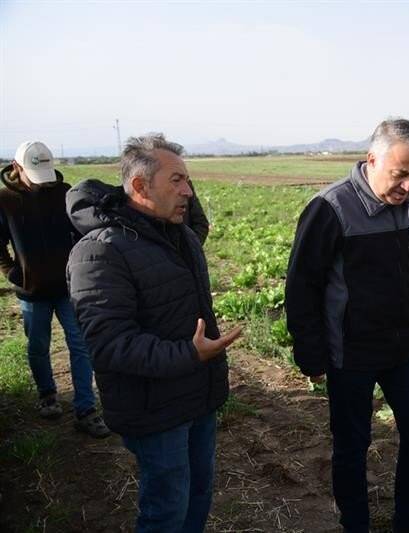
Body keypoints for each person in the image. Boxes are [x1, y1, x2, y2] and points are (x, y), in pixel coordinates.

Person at [66, 133, 242, 532]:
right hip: (153, 408)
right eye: (177, 181)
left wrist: (200, 363)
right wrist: (190, 354)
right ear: (141, 186)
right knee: (166, 509)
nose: (189, 192)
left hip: (198, 396)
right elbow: (110, 344)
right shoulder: (99, 251)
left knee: (198, 495)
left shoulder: (181, 237)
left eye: (188, 181)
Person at [285, 119, 409, 533]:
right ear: (373, 160)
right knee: (353, 445)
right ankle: (355, 524)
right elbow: (302, 286)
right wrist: (310, 352)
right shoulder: (331, 208)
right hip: (350, 352)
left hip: (403, 347)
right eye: (401, 174)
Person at [0, 140, 109, 438]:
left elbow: (82, 234)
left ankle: (85, 409)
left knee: (80, 345)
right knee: (38, 345)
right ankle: (47, 394)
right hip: (32, 291)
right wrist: (12, 272)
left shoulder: (64, 193)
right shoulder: (5, 200)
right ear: (16, 168)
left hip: (68, 287)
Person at [185, 180, 210, 245]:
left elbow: (201, 223)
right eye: (176, 180)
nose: (188, 192)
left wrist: (190, 248)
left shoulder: (186, 184)